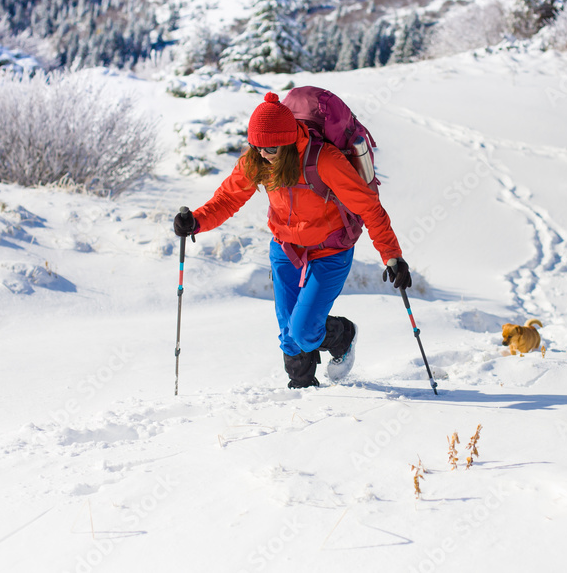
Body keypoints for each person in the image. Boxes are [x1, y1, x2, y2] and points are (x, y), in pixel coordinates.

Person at [173, 91, 412, 388]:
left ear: (287, 142)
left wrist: (392, 255)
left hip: (330, 250)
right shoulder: (258, 160)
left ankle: (343, 335)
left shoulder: (324, 160)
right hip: (285, 248)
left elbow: (369, 207)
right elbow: (228, 198)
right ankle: (302, 394)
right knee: (289, 338)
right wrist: (196, 222)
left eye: (270, 148)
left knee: (304, 332)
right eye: (256, 146)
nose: (263, 154)